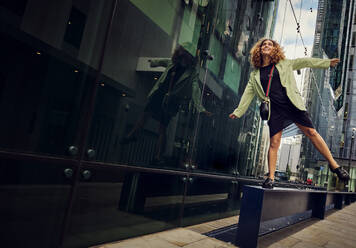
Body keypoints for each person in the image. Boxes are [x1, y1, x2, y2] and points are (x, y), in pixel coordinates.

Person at [229, 38, 350, 189]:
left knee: (311, 132)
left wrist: (326, 63)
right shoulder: (255, 75)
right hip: (275, 109)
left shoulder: (284, 64)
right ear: (259, 51)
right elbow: (248, 93)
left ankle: (335, 166)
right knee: (274, 142)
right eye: (263, 45)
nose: (266, 46)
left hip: (292, 104)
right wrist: (238, 112)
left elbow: (306, 61)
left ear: (274, 50)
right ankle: (271, 177)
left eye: (270, 44)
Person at [121, 42, 211, 164]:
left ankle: (158, 156)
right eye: (182, 53)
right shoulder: (173, 63)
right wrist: (152, 63)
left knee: (162, 128)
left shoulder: (191, 72)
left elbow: (195, 89)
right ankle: (133, 135)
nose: (183, 56)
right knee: (145, 115)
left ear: (190, 58)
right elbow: (163, 61)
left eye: (185, 55)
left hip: (171, 101)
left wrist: (200, 107)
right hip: (159, 94)